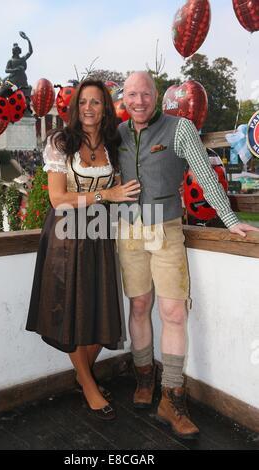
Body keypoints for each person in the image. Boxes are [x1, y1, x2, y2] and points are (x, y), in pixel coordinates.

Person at [117, 71, 259, 439]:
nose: (139, 101)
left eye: (145, 93)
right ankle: (144, 376)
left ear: (157, 95)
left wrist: (230, 219)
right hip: (128, 232)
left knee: (174, 311)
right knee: (138, 306)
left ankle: (172, 396)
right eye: (131, 94)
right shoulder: (115, 134)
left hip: (166, 230)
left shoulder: (180, 129)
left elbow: (205, 174)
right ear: (124, 98)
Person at [26, 79, 141, 421]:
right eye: (83, 102)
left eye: (96, 102)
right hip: (67, 235)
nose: (89, 108)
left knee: (96, 306)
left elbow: (126, 187)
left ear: (105, 107)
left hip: (100, 232)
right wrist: (107, 195)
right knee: (72, 309)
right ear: (75, 108)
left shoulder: (113, 143)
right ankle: (89, 386)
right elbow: (58, 199)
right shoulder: (60, 142)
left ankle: (83, 374)